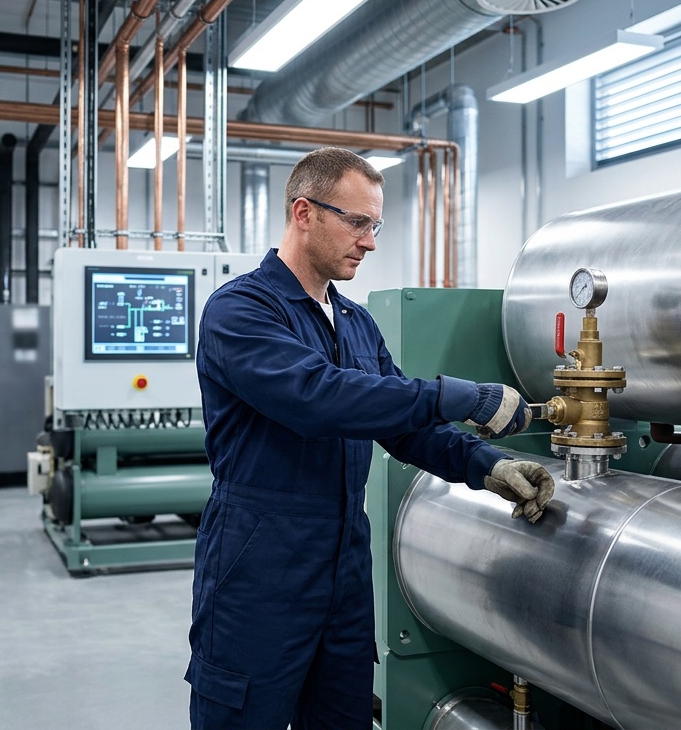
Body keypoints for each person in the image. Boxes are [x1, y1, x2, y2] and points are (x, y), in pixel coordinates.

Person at [186, 147, 554, 729]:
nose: (371, 241)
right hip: (259, 563)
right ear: (304, 213)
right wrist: (464, 396)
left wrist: (486, 465)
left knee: (344, 718)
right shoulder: (240, 310)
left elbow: (400, 422)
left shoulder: (355, 322)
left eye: (375, 225)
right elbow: (317, 399)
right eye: (358, 222)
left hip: (344, 566)